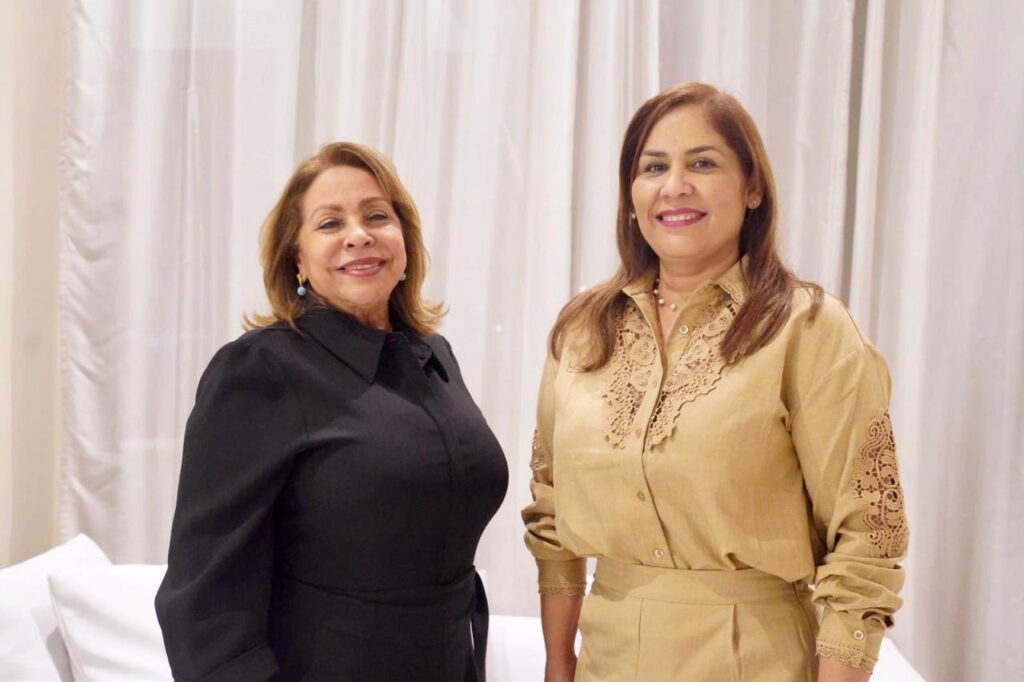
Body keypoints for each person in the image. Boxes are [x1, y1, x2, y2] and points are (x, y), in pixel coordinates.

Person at [522, 82, 908, 682]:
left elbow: (867, 538)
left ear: (753, 188)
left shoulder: (808, 330)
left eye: (702, 163)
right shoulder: (582, 331)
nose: (675, 186)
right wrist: (557, 664)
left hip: (759, 661)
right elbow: (551, 515)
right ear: (630, 196)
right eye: (654, 167)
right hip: (606, 660)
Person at [156, 141, 508, 681]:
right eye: (329, 223)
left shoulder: (433, 355)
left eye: (377, 216)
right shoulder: (260, 369)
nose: (358, 235)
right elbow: (203, 599)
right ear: (297, 258)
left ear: (404, 239)